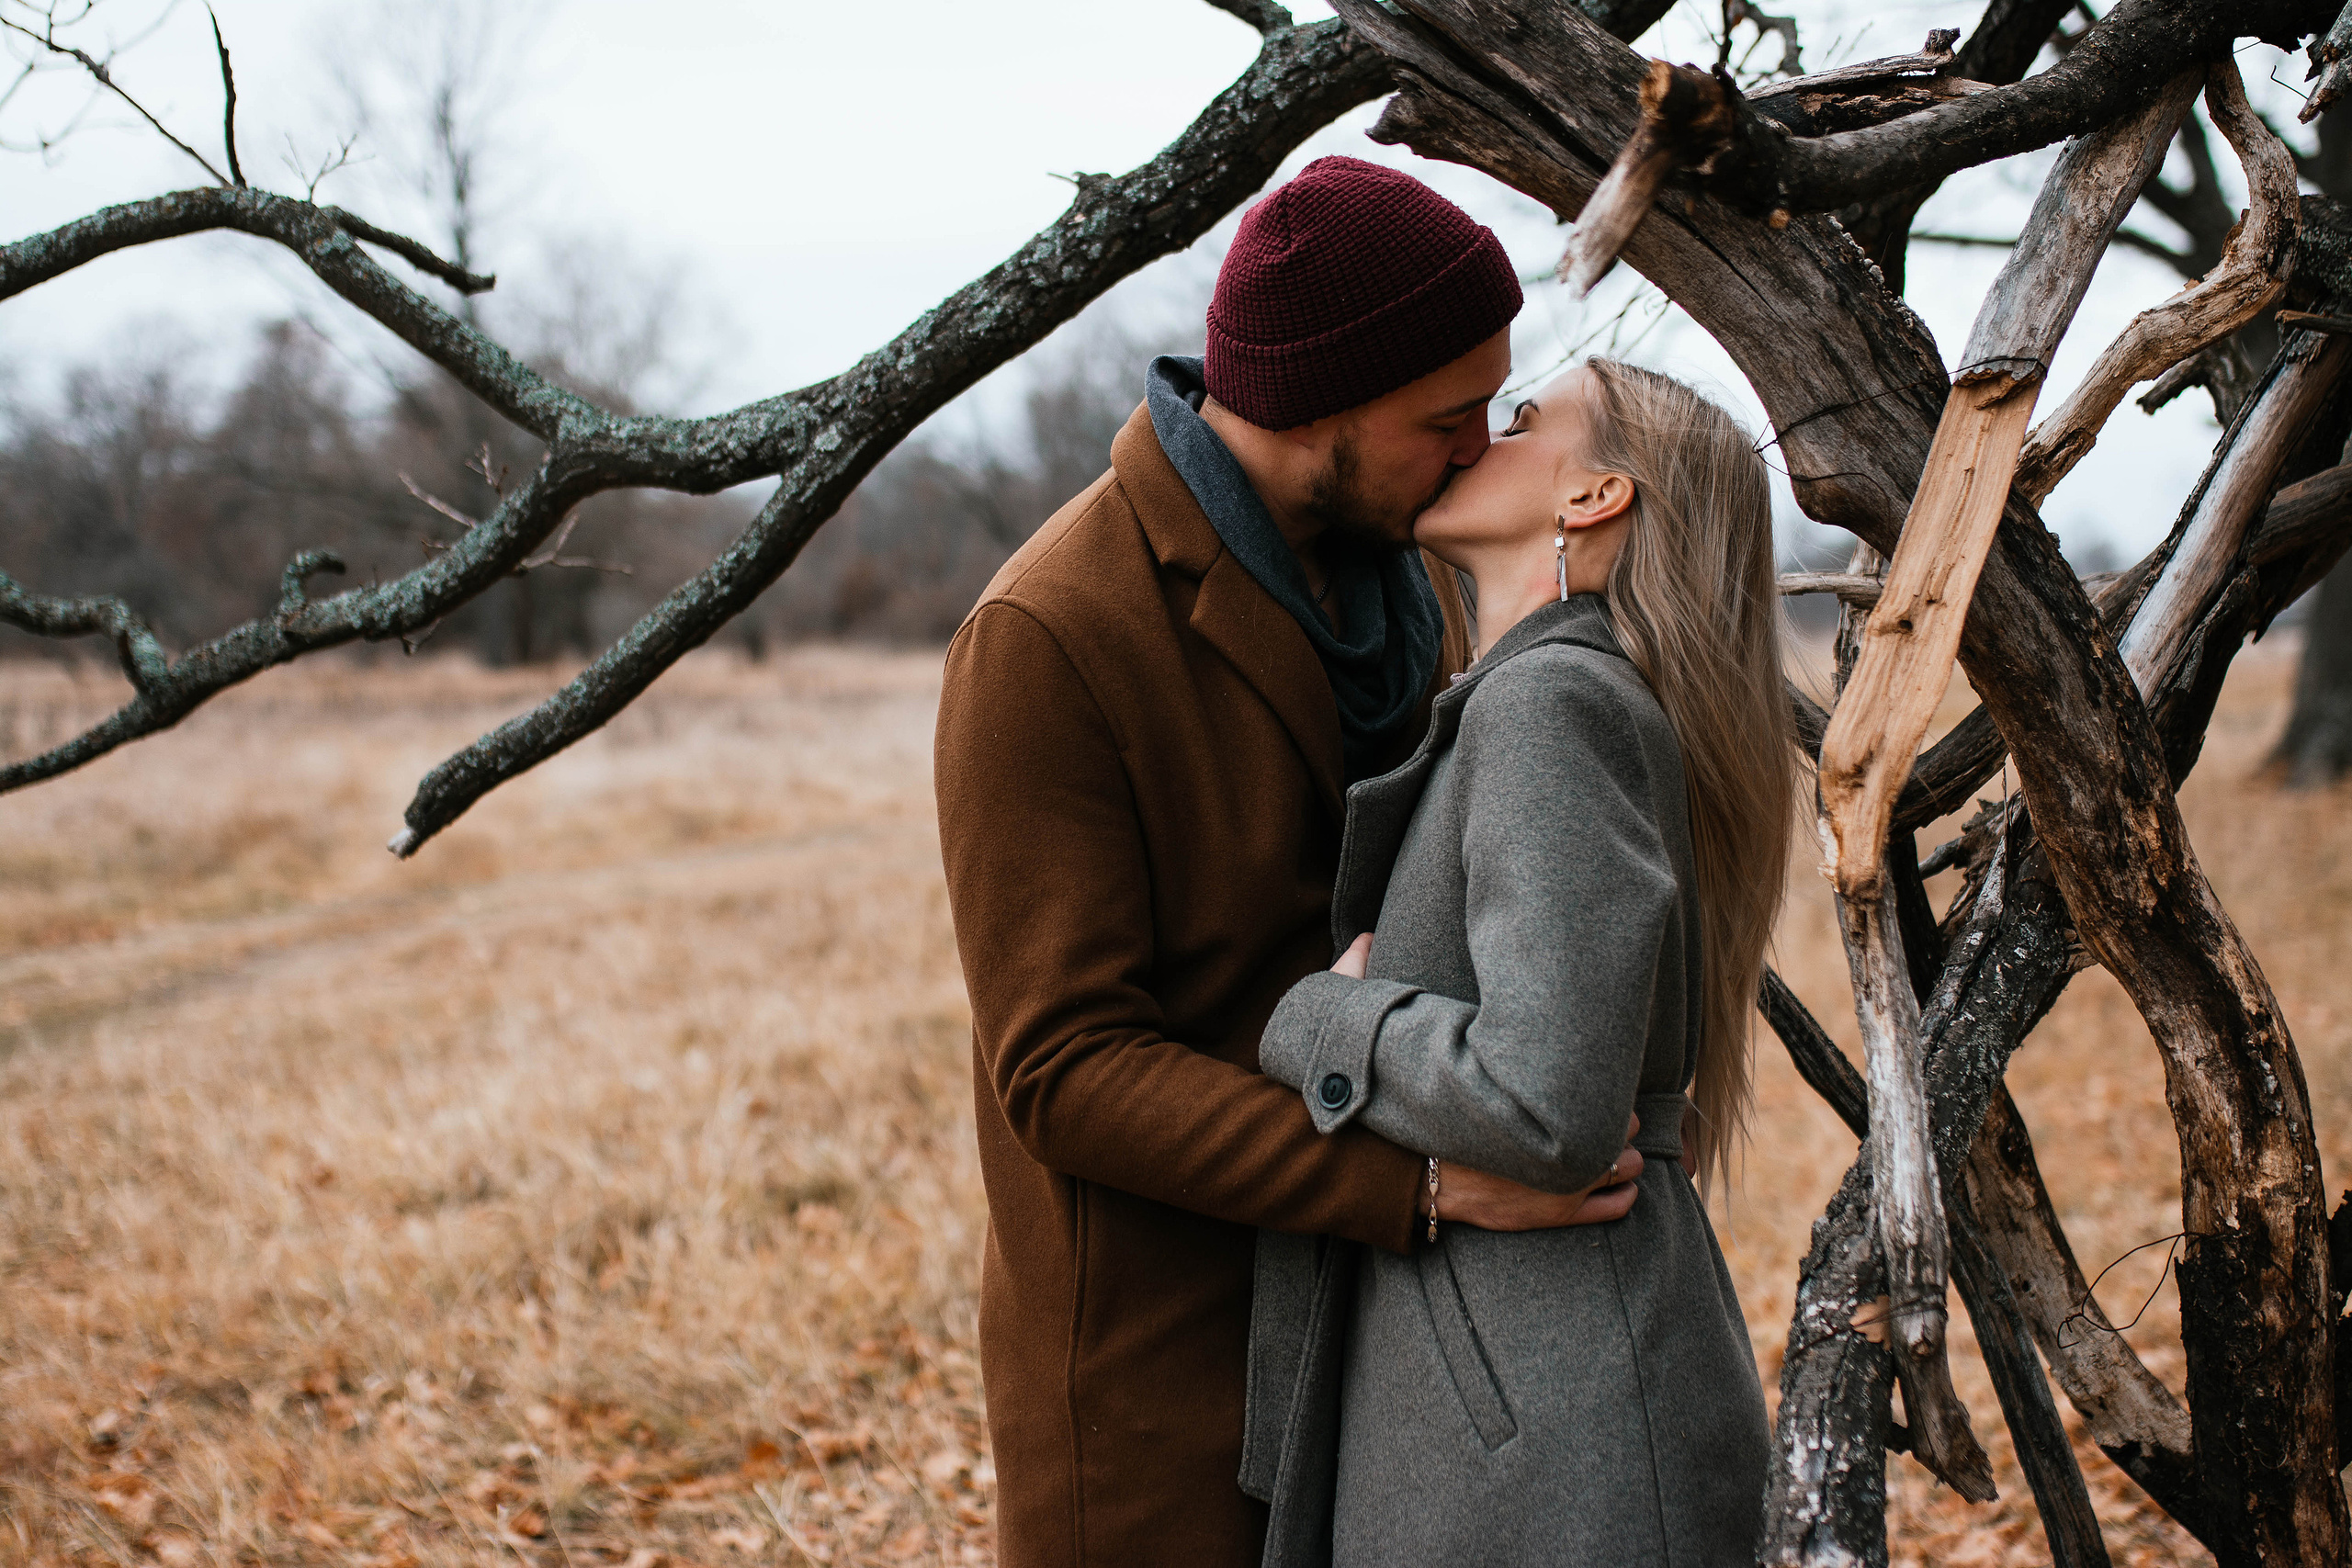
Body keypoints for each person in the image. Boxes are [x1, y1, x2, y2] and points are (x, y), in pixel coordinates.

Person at [933, 158, 1645, 1568]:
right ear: (1318, 402)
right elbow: (1063, 1070)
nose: (1476, 448)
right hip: (1164, 1380)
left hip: (1396, 1352)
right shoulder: (1050, 633)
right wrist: (1417, 1187)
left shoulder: (1419, 574)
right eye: (1443, 419)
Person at [1246, 359, 1797, 1566]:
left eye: (1523, 422)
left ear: (1593, 495)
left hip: (1554, 1428)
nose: (1474, 441)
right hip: (1538, 1385)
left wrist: (1326, 1019)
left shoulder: (1550, 705)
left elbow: (1549, 1101)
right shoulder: (1544, 696)